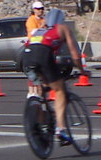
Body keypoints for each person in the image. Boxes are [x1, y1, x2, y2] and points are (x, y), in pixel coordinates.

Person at [23, 8, 89, 145]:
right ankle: (61, 129)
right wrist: (82, 71)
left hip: (27, 56)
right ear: (61, 20)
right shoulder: (62, 28)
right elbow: (75, 55)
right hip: (43, 55)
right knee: (59, 91)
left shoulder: (39, 29)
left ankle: (42, 124)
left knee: (41, 89)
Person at [25, 1, 45, 98]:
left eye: (41, 9)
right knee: (33, 70)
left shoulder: (43, 20)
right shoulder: (31, 20)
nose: (40, 11)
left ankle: (38, 92)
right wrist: (42, 27)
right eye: (38, 9)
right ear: (34, 10)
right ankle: (31, 92)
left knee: (40, 71)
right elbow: (33, 32)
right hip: (33, 46)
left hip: (42, 47)